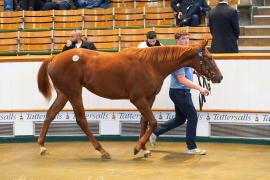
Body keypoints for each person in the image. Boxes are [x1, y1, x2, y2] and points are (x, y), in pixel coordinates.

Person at [149, 31, 209, 155]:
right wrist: (200, 88)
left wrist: (193, 72)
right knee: (192, 116)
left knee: (180, 119)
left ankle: (154, 132)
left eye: (187, 38)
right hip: (179, 92)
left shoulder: (185, 55)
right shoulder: (178, 57)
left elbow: (185, 73)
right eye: (183, 39)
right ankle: (191, 147)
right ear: (177, 41)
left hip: (180, 92)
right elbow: (181, 79)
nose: (186, 41)